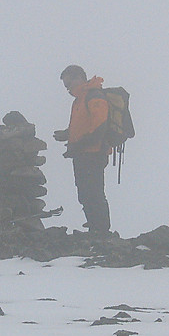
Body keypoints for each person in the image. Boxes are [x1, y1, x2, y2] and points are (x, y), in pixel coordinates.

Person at [53, 65, 111, 234]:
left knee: (93, 193)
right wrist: (67, 135)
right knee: (85, 192)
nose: (68, 89)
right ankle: (95, 227)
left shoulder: (94, 95)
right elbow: (84, 125)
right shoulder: (79, 100)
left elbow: (99, 127)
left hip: (94, 153)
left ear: (79, 77)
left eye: (68, 84)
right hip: (82, 154)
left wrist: (77, 145)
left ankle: (100, 230)